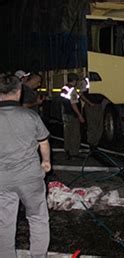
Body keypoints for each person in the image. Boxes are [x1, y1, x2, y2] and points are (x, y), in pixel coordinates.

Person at [0, 76, 51, 258]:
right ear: (19, 92)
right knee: (38, 218)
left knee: (4, 222)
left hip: (2, 180)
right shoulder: (30, 115)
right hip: (30, 178)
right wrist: (46, 162)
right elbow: (43, 142)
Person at [60, 73, 85, 160]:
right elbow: (73, 104)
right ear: (74, 81)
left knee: (67, 134)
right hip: (72, 115)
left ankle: (67, 151)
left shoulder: (64, 88)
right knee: (75, 135)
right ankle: (74, 153)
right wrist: (79, 115)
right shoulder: (72, 90)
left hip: (66, 114)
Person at [79, 77, 103, 151]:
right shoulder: (86, 81)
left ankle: (96, 143)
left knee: (99, 125)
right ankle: (92, 144)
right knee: (92, 125)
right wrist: (89, 103)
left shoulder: (101, 78)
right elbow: (81, 94)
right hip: (90, 105)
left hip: (99, 104)